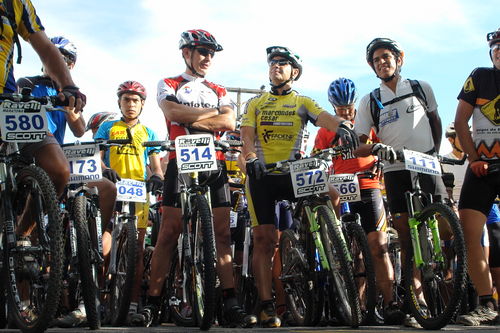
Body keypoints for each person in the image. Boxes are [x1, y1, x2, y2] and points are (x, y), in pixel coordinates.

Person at [136, 29, 257, 328]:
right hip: (180, 159)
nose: (207, 58)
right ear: (186, 53)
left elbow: (229, 121)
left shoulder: (217, 87)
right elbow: (170, 110)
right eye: (202, 51)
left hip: (214, 161)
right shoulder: (169, 83)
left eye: (211, 53)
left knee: (223, 235)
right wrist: (209, 115)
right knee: (168, 232)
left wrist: (187, 117)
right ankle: (153, 301)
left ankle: (230, 301)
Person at [240, 46, 359, 327]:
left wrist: (342, 125)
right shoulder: (256, 103)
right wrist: (251, 157)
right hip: (264, 175)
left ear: (294, 71)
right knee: (264, 240)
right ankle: (267, 305)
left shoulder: (302, 101)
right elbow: (246, 136)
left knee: (331, 193)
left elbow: (324, 118)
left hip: (294, 173)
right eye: (272, 63)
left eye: (282, 63)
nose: (275, 67)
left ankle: (327, 240)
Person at [354, 37, 446, 327]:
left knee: (446, 225)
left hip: (427, 164)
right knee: (406, 236)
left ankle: (451, 285)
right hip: (395, 170)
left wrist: (436, 153)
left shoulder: (421, 87)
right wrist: (375, 148)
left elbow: (435, 121)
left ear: (399, 58)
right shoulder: (370, 99)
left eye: (386, 57)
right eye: (376, 60)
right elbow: (359, 144)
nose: (382, 62)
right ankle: (415, 299)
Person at [312, 77, 405, 324]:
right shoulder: (325, 131)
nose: (346, 112)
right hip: (341, 190)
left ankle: (391, 303)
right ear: (333, 107)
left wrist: (382, 164)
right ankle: (355, 305)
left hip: (369, 187)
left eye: (349, 107)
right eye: (340, 108)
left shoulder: (367, 123)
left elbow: (385, 147)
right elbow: (317, 161)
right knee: (350, 255)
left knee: (379, 247)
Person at [95, 81, 164, 325]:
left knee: (136, 251)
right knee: (104, 246)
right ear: (119, 103)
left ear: (142, 104)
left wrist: (156, 175)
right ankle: (97, 300)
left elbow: (155, 164)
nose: (131, 104)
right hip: (113, 187)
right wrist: (104, 170)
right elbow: (98, 156)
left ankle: (133, 303)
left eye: (136, 100)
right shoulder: (107, 127)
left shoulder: (149, 132)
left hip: (137, 190)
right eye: (126, 100)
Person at [453, 28, 500, 326]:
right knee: (469, 234)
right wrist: (473, 159)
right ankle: (486, 304)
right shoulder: (480, 75)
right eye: (496, 48)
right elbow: (460, 121)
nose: (499, 51)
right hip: (482, 166)